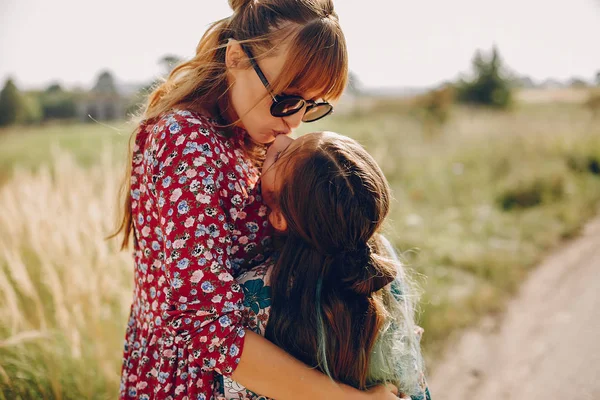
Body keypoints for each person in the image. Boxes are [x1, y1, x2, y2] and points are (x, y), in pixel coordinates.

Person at [113, 0, 401, 399]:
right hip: (192, 386)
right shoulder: (186, 140)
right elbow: (205, 327)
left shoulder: (257, 141)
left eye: (312, 105)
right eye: (285, 99)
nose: (294, 121)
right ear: (236, 58)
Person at [218, 132, 431, 400]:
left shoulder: (251, 295)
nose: (281, 139)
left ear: (279, 217)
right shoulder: (383, 264)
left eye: (282, 156)